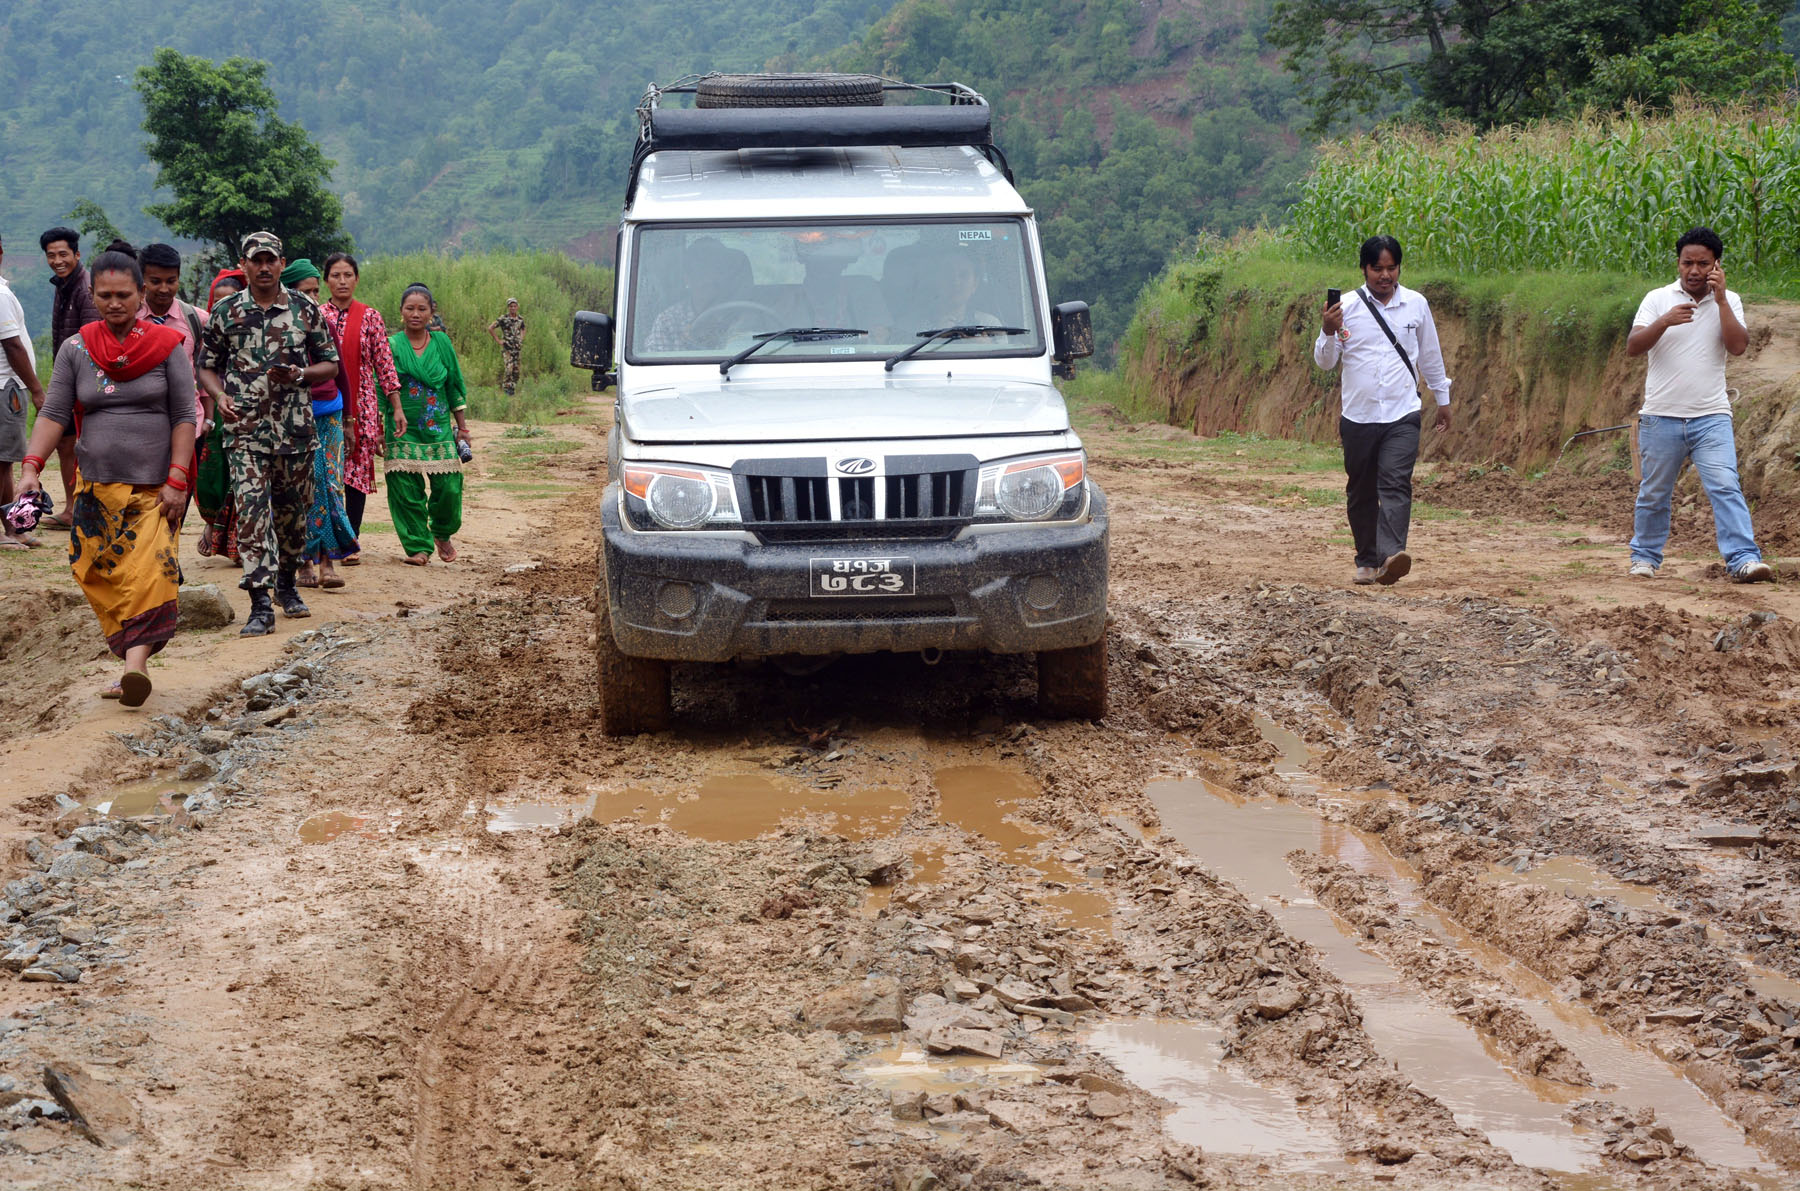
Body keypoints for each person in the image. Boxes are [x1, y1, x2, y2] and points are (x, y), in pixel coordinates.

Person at [15, 243, 196, 707]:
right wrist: (31, 468)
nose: (114, 304)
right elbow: (55, 412)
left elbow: (182, 416)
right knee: (98, 573)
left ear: (140, 295)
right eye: (104, 295)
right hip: (95, 490)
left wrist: (177, 480)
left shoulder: (167, 346)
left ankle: (134, 671)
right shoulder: (77, 349)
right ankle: (131, 663)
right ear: (93, 294)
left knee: (151, 573)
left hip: (154, 489)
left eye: (123, 295)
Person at [197, 232, 338, 637]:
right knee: (253, 516)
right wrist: (219, 395)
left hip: (294, 432)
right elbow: (206, 366)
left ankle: (287, 584)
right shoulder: (227, 312)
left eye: (270, 260)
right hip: (244, 433)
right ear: (243, 264)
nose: (263, 267)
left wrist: (300, 374)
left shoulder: (305, 309)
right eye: (255, 260)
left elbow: (328, 364)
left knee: (294, 520)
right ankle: (260, 604)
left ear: (281, 262)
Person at [1624, 227, 1774, 583]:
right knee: (1655, 490)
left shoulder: (1730, 300)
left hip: (1711, 416)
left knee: (1725, 485)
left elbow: (1738, 346)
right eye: (1687, 262)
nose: (1694, 270)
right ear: (1677, 263)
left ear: (1716, 265)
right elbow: (1633, 347)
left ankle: (1743, 559)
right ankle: (1644, 558)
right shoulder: (1658, 298)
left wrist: (1720, 300)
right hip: (1661, 416)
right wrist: (1665, 321)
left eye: (1702, 263)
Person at [1314, 235, 1452, 586]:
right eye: (1378, 268)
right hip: (1358, 416)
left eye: (1392, 268)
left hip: (1402, 413)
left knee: (1395, 482)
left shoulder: (1416, 305)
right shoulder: (1345, 308)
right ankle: (1367, 558)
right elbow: (1326, 363)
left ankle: (1391, 556)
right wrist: (1328, 331)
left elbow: (1430, 355)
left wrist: (1443, 399)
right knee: (1361, 489)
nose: (1385, 275)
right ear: (1364, 269)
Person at [319, 252, 405, 563]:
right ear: (326, 279)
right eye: (335, 275)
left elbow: (385, 365)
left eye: (348, 275)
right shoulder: (316, 315)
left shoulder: (370, 317)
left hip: (364, 406)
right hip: (325, 404)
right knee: (326, 472)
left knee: (354, 474)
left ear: (356, 279)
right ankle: (326, 540)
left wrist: (395, 406)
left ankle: (350, 540)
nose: (342, 281)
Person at [280, 259, 358, 589]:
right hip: (295, 416)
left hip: (330, 415)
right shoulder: (280, 329)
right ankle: (303, 565)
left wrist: (350, 421)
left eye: (315, 291)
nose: (312, 297)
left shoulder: (323, 323)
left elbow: (341, 374)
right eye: (305, 291)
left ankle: (328, 562)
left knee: (331, 486)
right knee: (300, 490)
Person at [383, 284, 470, 565]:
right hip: (401, 428)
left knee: (449, 487)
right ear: (401, 312)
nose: (416, 314)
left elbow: (454, 385)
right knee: (405, 490)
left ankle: (442, 533)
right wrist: (375, 427)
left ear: (432, 312)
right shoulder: (392, 345)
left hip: (439, 428)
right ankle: (419, 546)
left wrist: (463, 428)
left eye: (422, 308)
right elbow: (380, 385)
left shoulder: (442, 343)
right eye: (410, 308)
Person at [39, 226, 100, 526]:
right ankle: (71, 506)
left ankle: (78, 507)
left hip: (82, 379)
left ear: (77, 254)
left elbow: (88, 340)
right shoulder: (63, 285)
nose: (57, 260)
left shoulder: (84, 289)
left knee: (75, 444)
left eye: (63, 254)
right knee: (66, 444)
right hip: (69, 379)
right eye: (51, 255)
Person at [194, 270, 246, 562]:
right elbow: (203, 375)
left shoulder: (255, 330)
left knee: (244, 479)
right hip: (218, 414)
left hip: (248, 415)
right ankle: (211, 527)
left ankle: (238, 541)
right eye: (218, 302)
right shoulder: (208, 335)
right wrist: (210, 417)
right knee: (215, 476)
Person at [0, 232, 48, 549]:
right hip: (6, 387)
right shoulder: (0, 296)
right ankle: (11, 530)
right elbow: (13, 345)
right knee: (4, 462)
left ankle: (13, 527)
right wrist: (36, 388)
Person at [487, 298, 525, 395]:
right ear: (508, 307)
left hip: (517, 348)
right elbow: (491, 328)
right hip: (507, 348)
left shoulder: (520, 319)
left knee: (516, 371)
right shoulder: (503, 319)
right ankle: (507, 390)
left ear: (517, 307)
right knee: (509, 369)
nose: (513, 308)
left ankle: (512, 388)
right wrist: (498, 340)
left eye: (514, 306)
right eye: (511, 306)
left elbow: (523, 328)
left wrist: (521, 338)